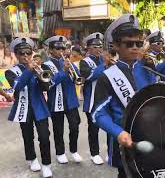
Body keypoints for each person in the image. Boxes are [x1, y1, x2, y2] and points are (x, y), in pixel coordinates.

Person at [91, 14, 157, 178]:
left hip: (151, 136)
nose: (135, 47)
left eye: (138, 43)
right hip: (126, 141)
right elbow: (98, 113)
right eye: (129, 43)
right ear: (116, 46)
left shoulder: (147, 69)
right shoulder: (106, 76)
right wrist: (117, 132)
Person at [5, 37, 52, 177]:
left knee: (44, 136)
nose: (25, 56)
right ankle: (32, 159)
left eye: (28, 52)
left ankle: (46, 164)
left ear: (32, 53)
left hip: (39, 107)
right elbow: (17, 87)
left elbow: (47, 86)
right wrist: (30, 71)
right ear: (16, 55)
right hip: (23, 108)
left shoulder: (40, 68)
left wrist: (39, 74)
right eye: (21, 53)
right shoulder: (11, 72)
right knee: (28, 136)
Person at [42, 36, 82, 164]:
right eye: (58, 48)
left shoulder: (68, 61)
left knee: (75, 126)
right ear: (51, 50)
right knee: (58, 129)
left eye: (63, 48)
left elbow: (77, 78)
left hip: (70, 101)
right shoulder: (45, 65)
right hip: (55, 102)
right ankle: (60, 152)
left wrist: (72, 70)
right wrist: (63, 71)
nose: (61, 50)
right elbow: (49, 83)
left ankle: (74, 150)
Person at [79, 32, 106, 165]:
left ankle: (111, 152)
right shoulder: (84, 62)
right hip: (92, 101)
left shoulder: (104, 59)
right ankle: (94, 153)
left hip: (106, 100)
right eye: (95, 46)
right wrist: (104, 65)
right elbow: (89, 76)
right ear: (88, 48)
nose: (99, 49)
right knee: (93, 128)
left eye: (100, 46)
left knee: (109, 127)